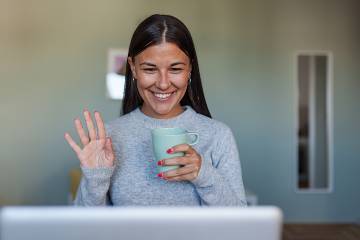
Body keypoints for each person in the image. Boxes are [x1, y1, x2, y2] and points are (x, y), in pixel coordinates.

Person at [64, 14, 247, 206]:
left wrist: (204, 174)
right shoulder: (109, 139)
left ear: (190, 69)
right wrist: (96, 179)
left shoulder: (218, 136)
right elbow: (87, 229)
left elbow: (242, 227)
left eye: (175, 69)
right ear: (133, 68)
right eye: (150, 69)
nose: (163, 83)